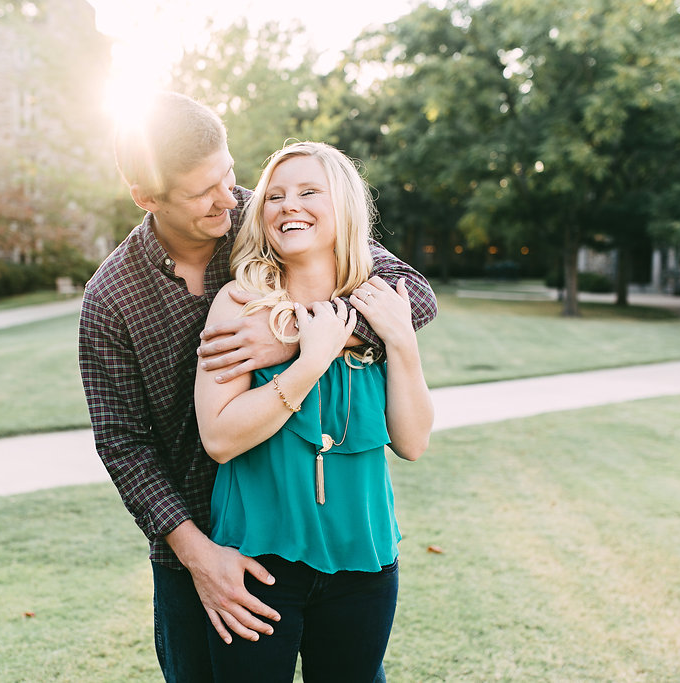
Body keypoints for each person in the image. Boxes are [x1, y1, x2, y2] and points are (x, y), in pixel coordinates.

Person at [78, 92, 437, 682]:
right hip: (204, 534)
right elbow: (123, 445)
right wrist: (197, 556)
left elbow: (409, 294)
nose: (228, 199)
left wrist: (294, 336)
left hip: (345, 540)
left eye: (230, 175)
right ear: (148, 198)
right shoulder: (113, 298)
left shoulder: (273, 212)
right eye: (201, 192)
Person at [194, 141, 434, 682]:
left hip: (365, 561)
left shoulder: (379, 303)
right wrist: (311, 357)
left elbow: (414, 442)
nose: (287, 205)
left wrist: (403, 342)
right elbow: (220, 436)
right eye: (274, 196)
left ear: (344, 206)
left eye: (308, 192)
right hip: (259, 562)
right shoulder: (239, 304)